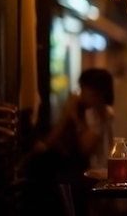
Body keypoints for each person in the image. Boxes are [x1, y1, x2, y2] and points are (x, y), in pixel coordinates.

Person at [22, 68, 114, 216]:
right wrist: (68, 113)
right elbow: (50, 141)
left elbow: (85, 148)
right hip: (83, 172)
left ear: (100, 92)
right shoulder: (85, 111)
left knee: (53, 180)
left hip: (97, 174)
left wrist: (74, 116)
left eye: (85, 89)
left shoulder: (101, 113)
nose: (81, 94)